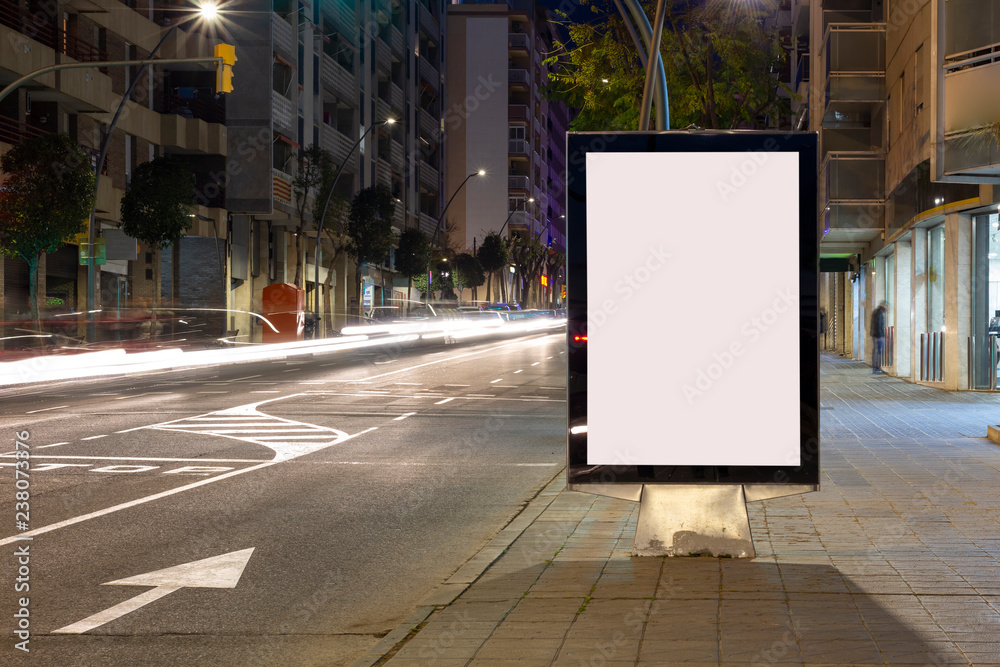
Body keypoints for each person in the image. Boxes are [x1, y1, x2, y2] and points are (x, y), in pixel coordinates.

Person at [870, 301, 887, 374]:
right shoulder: (879, 312)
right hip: (878, 335)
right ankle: (877, 367)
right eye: (886, 306)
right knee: (878, 352)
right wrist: (879, 335)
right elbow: (878, 324)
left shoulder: (876, 311)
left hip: (874, 334)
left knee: (875, 351)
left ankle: (875, 367)